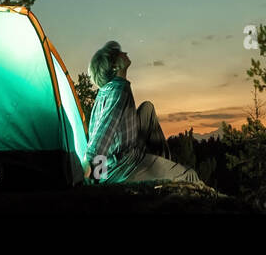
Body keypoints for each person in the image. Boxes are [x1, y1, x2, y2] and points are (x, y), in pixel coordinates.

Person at [84, 40, 200, 184]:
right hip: (124, 166)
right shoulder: (119, 91)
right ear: (115, 65)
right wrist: (96, 178)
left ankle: (162, 168)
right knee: (190, 176)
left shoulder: (105, 90)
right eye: (119, 53)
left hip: (123, 150)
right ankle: (165, 180)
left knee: (147, 109)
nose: (125, 53)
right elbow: (102, 137)